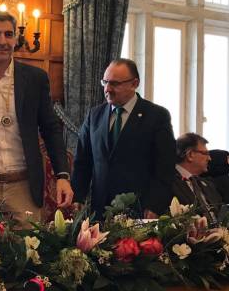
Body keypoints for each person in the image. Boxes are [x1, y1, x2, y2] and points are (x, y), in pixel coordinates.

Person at [0, 9, 72, 224]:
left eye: (8, 34)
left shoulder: (35, 78)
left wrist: (62, 175)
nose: (2, 41)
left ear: (15, 39)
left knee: (28, 245)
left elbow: (51, 128)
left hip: (23, 187)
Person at [71, 58, 176, 218]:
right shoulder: (95, 115)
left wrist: (155, 205)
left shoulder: (156, 116)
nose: (107, 89)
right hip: (99, 211)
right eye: (105, 82)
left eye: (114, 84)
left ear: (134, 84)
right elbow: (82, 161)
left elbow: (165, 167)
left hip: (138, 210)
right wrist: (78, 196)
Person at [172, 133, 222, 223]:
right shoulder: (166, 183)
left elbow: (221, 212)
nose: (209, 158)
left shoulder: (208, 184)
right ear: (190, 155)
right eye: (206, 153)